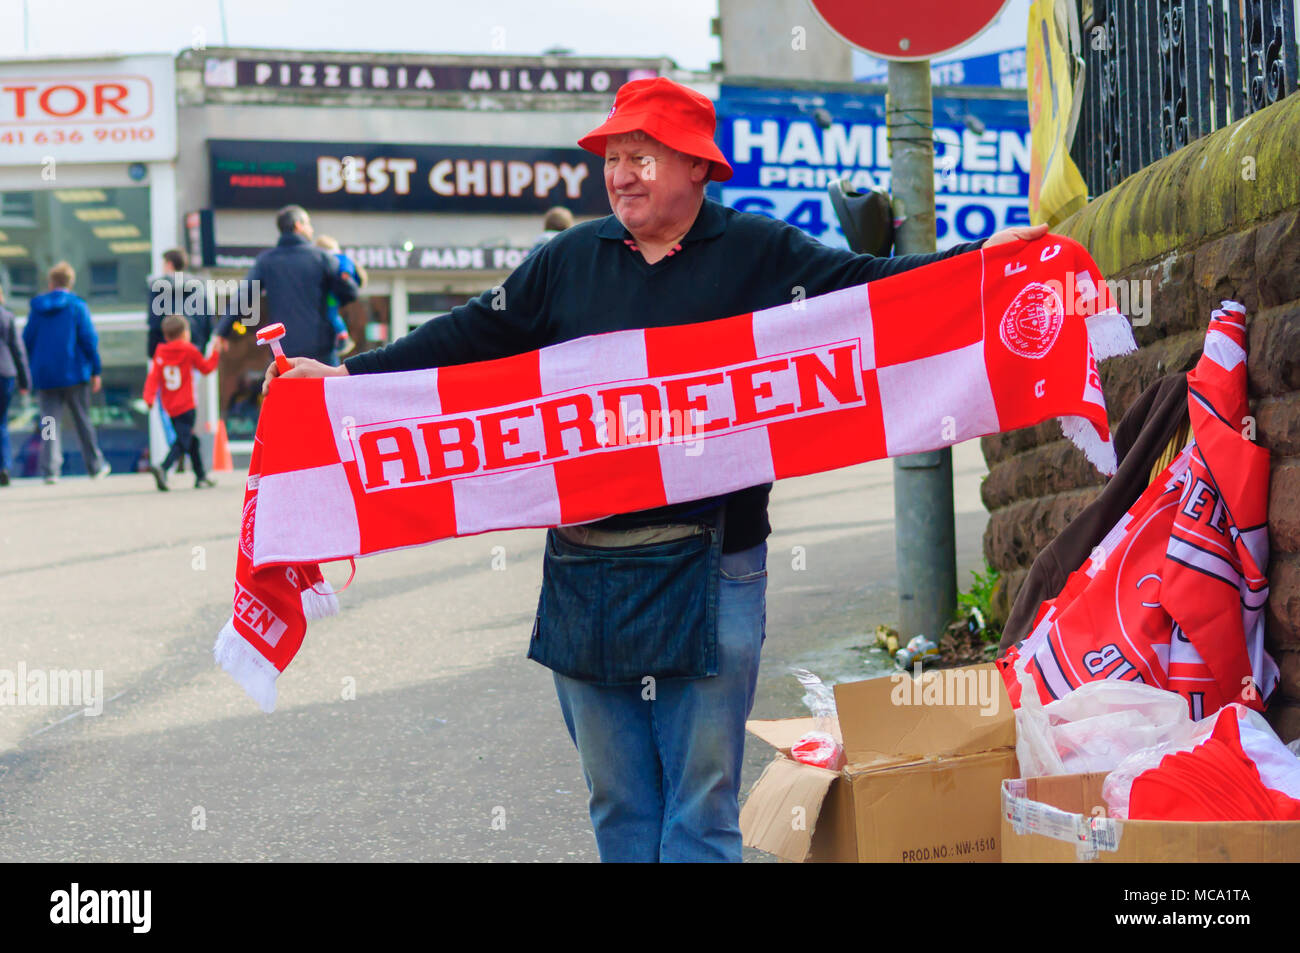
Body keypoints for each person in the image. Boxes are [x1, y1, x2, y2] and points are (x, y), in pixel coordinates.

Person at [263, 77, 1048, 862]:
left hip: (715, 563)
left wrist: (974, 265)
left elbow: (865, 289)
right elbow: (471, 335)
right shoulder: (568, 259)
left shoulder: (758, 251)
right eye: (614, 156)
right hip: (584, 569)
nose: (621, 173)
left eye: (642, 155)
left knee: (701, 809)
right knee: (620, 807)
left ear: (698, 168)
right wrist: (349, 379)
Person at [212, 206, 359, 365]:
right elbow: (350, 293)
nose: (311, 229)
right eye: (308, 224)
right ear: (298, 225)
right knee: (324, 390)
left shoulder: (266, 261)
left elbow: (243, 296)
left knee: (288, 390)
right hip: (320, 353)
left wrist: (222, 332)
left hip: (283, 351)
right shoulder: (322, 258)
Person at [23, 262, 111, 483]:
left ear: (51, 282)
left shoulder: (37, 308)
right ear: (70, 283)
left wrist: (29, 371)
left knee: (49, 422)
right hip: (75, 372)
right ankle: (94, 466)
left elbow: (27, 340)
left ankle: (50, 470)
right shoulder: (77, 306)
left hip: (45, 375)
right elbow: (89, 339)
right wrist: (96, 370)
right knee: (82, 420)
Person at [143, 314, 220, 491]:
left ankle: (201, 476)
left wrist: (149, 397)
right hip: (187, 405)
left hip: (170, 407)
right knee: (184, 440)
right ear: (186, 333)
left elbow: (153, 378)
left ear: (166, 335)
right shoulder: (189, 350)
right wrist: (215, 352)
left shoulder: (161, 353)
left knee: (192, 441)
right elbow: (207, 368)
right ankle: (163, 467)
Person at [147, 248, 212, 358]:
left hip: (167, 355)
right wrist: (201, 349)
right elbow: (208, 322)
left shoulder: (158, 288)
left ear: (169, 264)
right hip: (193, 352)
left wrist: (153, 352)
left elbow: (154, 323)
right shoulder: (199, 286)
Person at [313, 234, 366, 361]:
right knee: (331, 314)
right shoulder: (337, 259)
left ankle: (342, 334)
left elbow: (345, 266)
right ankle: (341, 336)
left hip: (330, 296)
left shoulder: (334, 259)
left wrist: (345, 274)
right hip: (331, 296)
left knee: (331, 314)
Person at [0, 286, 31, 486]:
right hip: (6, 373)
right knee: (1, 422)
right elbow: (18, 350)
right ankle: (4, 467)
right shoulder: (7, 316)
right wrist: (25, 381)